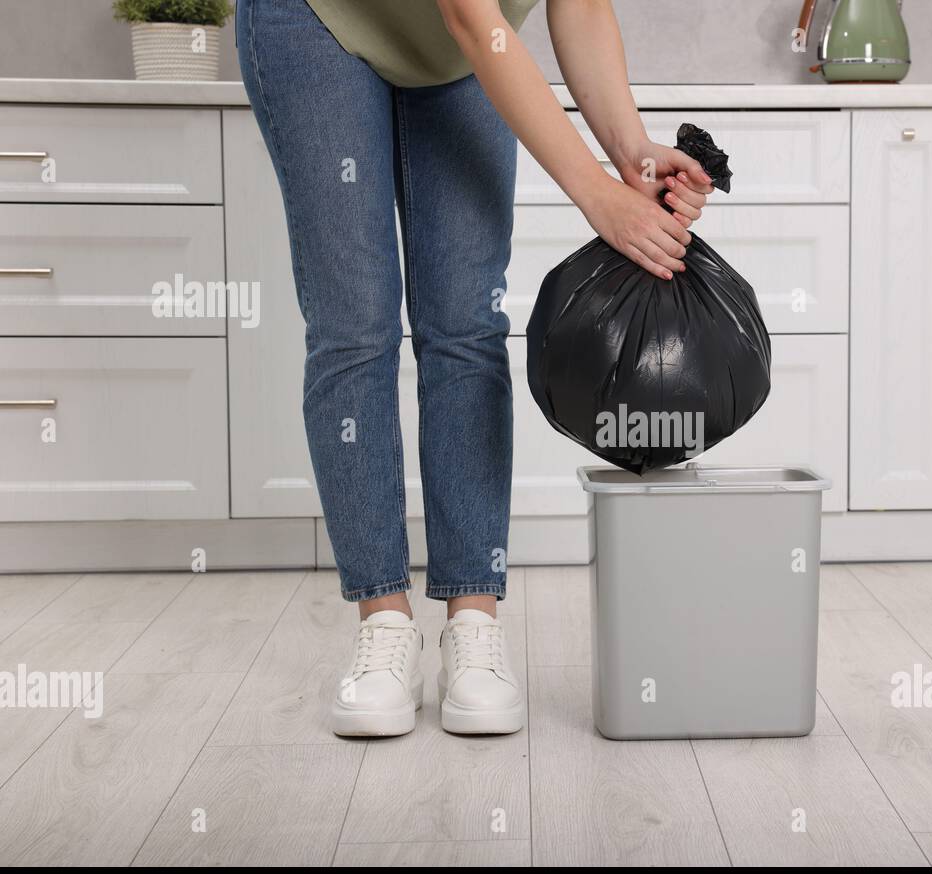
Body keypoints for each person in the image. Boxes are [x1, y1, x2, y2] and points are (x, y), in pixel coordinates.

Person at [236, 0, 714, 737]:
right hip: (319, 20)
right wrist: (599, 198)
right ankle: (384, 622)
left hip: (461, 44)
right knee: (353, 324)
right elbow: (467, 12)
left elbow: (578, 5)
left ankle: (472, 620)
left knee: (466, 323)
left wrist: (632, 154)